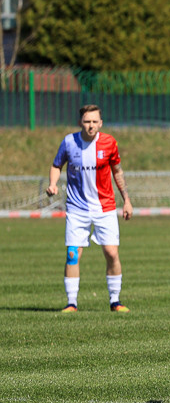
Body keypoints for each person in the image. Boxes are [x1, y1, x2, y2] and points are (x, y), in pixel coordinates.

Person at [47, 105, 133, 313]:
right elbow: (57, 165)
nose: (91, 125)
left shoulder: (109, 143)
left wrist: (127, 200)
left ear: (100, 123)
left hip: (105, 207)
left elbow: (117, 171)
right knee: (72, 254)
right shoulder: (69, 142)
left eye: (94, 121)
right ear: (80, 123)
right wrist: (52, 184)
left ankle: (115, 301)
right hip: (77, 208)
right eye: (87, 121)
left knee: (111, 253)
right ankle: (71, 303)